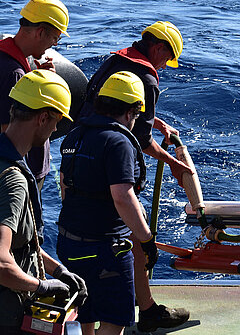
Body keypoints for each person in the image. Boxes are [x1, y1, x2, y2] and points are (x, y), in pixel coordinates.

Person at [77, 21, 190, 331]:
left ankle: (142, 307)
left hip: (81, 163)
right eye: (167, 59)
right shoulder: (148, 80)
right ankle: (146, 309)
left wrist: (155, 121)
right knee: (134, 236)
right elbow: (137, 138)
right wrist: (173, 162)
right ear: (158, 49)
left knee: (92, 254)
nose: (165, 67)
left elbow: (107, 108)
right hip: (112, 169)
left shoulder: (114, 62)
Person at [0, 70, 87, 334]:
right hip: (8, 316)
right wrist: (41, 286)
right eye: (56, 121)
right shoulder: (13, 179)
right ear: (43, 117)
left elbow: (16, 245)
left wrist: (58, 270)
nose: (56, 129)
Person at [56, 71, 161, 335]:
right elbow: (122, 196)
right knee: (114, 322)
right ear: (129, 113)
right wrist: (146, 240)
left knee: (85, 312)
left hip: (69, 243)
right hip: (104, 250)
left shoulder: (74, 136)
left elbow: (64, 188)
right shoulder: (118, 142)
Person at [0, 0, 69, 240]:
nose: (52, 45)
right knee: (23, 239)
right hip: (21, 173)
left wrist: (38, 76)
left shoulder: (8, 58)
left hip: (19, 171)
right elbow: (12, 131)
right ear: (40, 32)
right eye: (54, 37)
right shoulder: (13, 72)